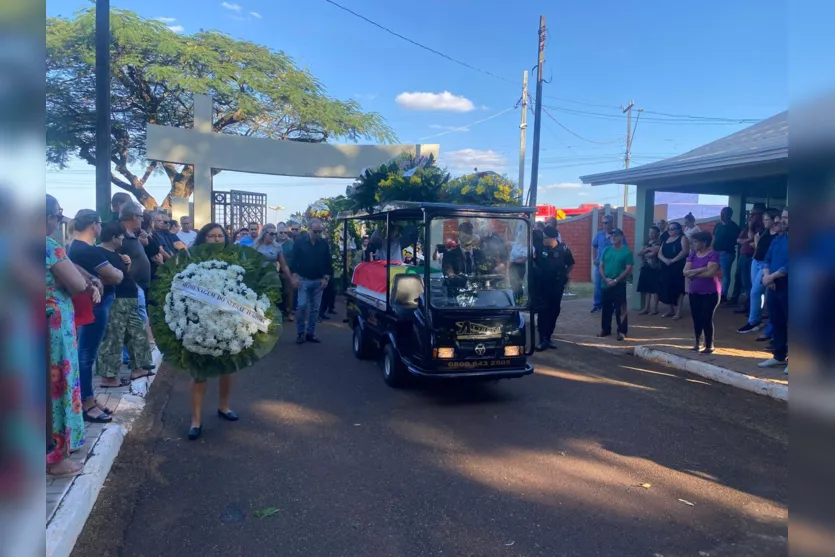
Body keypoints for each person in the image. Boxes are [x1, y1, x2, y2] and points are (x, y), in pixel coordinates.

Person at [46, 195, 90, 477]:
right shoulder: (48, 246)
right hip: (51, 326)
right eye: (57, 214)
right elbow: (76, 284)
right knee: (56, 385)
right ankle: (55, 455)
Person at [68, 210, 125, 422]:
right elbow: (116, 276)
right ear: (94, 225)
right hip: (95, 305)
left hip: (94, 304)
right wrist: (114, 274)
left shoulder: (79, 247)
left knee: (87, 353)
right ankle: (87, 403)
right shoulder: (86, 250)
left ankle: (88, 397)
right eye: (100, 224)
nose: (101, 228)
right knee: (86, 355)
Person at [186, 223, 241, 440]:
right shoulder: (192, 258)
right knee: (199, 372)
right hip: (198, 319)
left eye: (220, 236)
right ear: (203, 238)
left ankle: (224, 406)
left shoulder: (234, 258)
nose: (217, 240)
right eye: (212, 236)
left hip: (227, 320)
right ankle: (196, 420)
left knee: (227, 367)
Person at [96, 222, 156, 387]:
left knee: (137, 332)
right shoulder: (99, 253)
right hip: (117, 299)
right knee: (114, 337)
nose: (123, 238)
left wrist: (127, 265)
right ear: (114, 237)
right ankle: (108, 377)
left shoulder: (116, 253)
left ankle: (139, 367)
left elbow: (123, 274)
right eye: (121, 236)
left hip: (129, 298)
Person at [737, 208, 781, 336]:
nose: (764, 221)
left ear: (774, 220)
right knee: (755, 291)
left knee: (756, 291)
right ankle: (757, 319)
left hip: (766, 266)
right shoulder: (764, 231)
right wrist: (755, 249)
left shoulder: (779, 235)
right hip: (756, 261)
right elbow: (756, 238)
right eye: (763, 219)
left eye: (767, 219)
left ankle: (754, 321)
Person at [291, 218, 332, 344]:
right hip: (303, 279)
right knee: (302, 305)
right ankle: (300, 333)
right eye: (315, 231)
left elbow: (328, 262)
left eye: (320, 231)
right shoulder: (299, 242)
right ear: (308, 230)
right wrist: (294, 276)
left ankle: (310, 333)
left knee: (315, 309)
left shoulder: (324, 244)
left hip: (318, 280)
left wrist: (326, 278)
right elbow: (294, 260)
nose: (318, 234)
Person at [534, 226, 574, 350]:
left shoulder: (564, 249)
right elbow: (534, 263)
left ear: (554, 238)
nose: (544, 240)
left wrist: (565, 275)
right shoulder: (540, 249)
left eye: (546, 238)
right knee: (543, 311)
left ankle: (549, 337)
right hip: (543, 285)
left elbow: (571, 263)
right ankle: (542, 339)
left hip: (557, 285)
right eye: (544, 238)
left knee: (554, 311)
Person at [758, 208, 789, 373]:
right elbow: (767, 258)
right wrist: (767, 275)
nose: (782, 221)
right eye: (782, 217)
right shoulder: (778, 238)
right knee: (777, 321)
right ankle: (778, 356)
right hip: (774, 285)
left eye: (786, 218)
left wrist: (773, 277)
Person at [683, 231, 721, 354]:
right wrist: (702, 269)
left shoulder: (713, 254)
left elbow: (710, 273)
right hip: (694, 291)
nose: (693, 244)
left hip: (710, 292)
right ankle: (697, 343)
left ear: (704, 242)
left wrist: (693, 272)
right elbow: (685, 272)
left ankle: (709, 345)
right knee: (696, 317)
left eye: (695, 242)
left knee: (706, 317)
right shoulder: (693, 255)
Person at [597, 227, 633, 341]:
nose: (613, 237)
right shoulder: (606, 250)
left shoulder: (626, 251)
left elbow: (628, 268)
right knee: (606, 307)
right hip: (606, 283)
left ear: (621, 237)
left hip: (619, 283)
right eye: (611, 235)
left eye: (616, 235)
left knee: (620, 308)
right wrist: (605, 279)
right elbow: (601, 265)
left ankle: (622, 331)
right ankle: (605, 329)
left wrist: (616, 280)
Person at [591, 214, 628, 313]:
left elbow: (625, 249)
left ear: (612, 223)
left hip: (613, 265)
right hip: (600, 265)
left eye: (606, 223)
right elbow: (594, 246)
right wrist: (594, 258)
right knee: (598, 284)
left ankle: (614, 306)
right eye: (603, 223)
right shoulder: (599, 235)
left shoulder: (618, 234)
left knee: (613, 285)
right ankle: (598, 305)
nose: (604, 225)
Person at [733, 206, 764, 313]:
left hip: (751, 258)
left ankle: (752, 308)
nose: (751, 216)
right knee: (742, 280)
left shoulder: (760, 227)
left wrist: (750, 228)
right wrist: (748, 240)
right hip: (743, 256)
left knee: (750, 283)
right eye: (750, 214)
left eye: (753, 214)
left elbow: (754, 241)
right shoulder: (747, 227)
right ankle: (748, 306)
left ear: (760, 215)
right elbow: (739, 239)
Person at [657, 221, 690, 320]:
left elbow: (685, 251)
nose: (670, 231)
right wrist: (665, 260)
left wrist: (673, 260)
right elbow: (659, 253)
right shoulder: (666, 239)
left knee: (678, 288)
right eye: (669, 229)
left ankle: (678, 311)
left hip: (678, 267)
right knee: (667, 287)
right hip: (665, 267)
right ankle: (670, 309)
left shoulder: (683, 238)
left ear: (678, 229)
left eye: (673, 229)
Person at [253, 223, 297, 290]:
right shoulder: (255, 246)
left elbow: (284, 266)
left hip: (272, 278)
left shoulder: (277, 247)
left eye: (275, 234)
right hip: (258, 278)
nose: (274, 236)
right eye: (271, 234)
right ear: (264, 233)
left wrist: (291, 279)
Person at [712, 207, 741, 305]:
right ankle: (713, 292)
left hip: (726, 253)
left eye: (723, 213)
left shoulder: (734, 227)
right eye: (721, 213)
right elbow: (714, 237)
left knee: (725, 274)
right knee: (711, 272)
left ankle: (723, 295)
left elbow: (739, 239)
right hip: (716, 252)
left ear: (729, 215)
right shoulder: (718, 225)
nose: (721, 215)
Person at [636, 225, 662, 315]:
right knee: (646, 289)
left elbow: (653, 254)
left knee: (655, 289)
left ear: (657, 233)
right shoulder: (647, 242)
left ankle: (654, 308)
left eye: (653, 232)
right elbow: (639, 253)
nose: (651, 234)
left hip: (654, 268)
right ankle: (646, 307)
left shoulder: (659, 242)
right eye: (650, 232)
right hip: (645, 267)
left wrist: (646, 250)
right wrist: (648, 250)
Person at [276, 223, 296, 321]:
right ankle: (279, 312)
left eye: (285, 232)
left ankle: (290, 312)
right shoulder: (273, 243)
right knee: (277, 293)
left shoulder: (291, 244)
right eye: (281, 232)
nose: (283, 234)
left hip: (288, 272)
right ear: (277, 233)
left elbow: (295, 258)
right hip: (275, 273)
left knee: (289, 294)